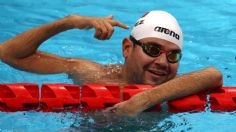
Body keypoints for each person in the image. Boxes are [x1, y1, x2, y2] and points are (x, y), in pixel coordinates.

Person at [0, 10, 222, 116]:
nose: (163, 62)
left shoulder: (172, 86)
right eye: (153, 50)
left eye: (173, 55)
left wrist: (143, 99)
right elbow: (9, 53)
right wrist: (69, 23)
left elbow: (213, 75)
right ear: (127, 48)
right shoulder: (93, 75)